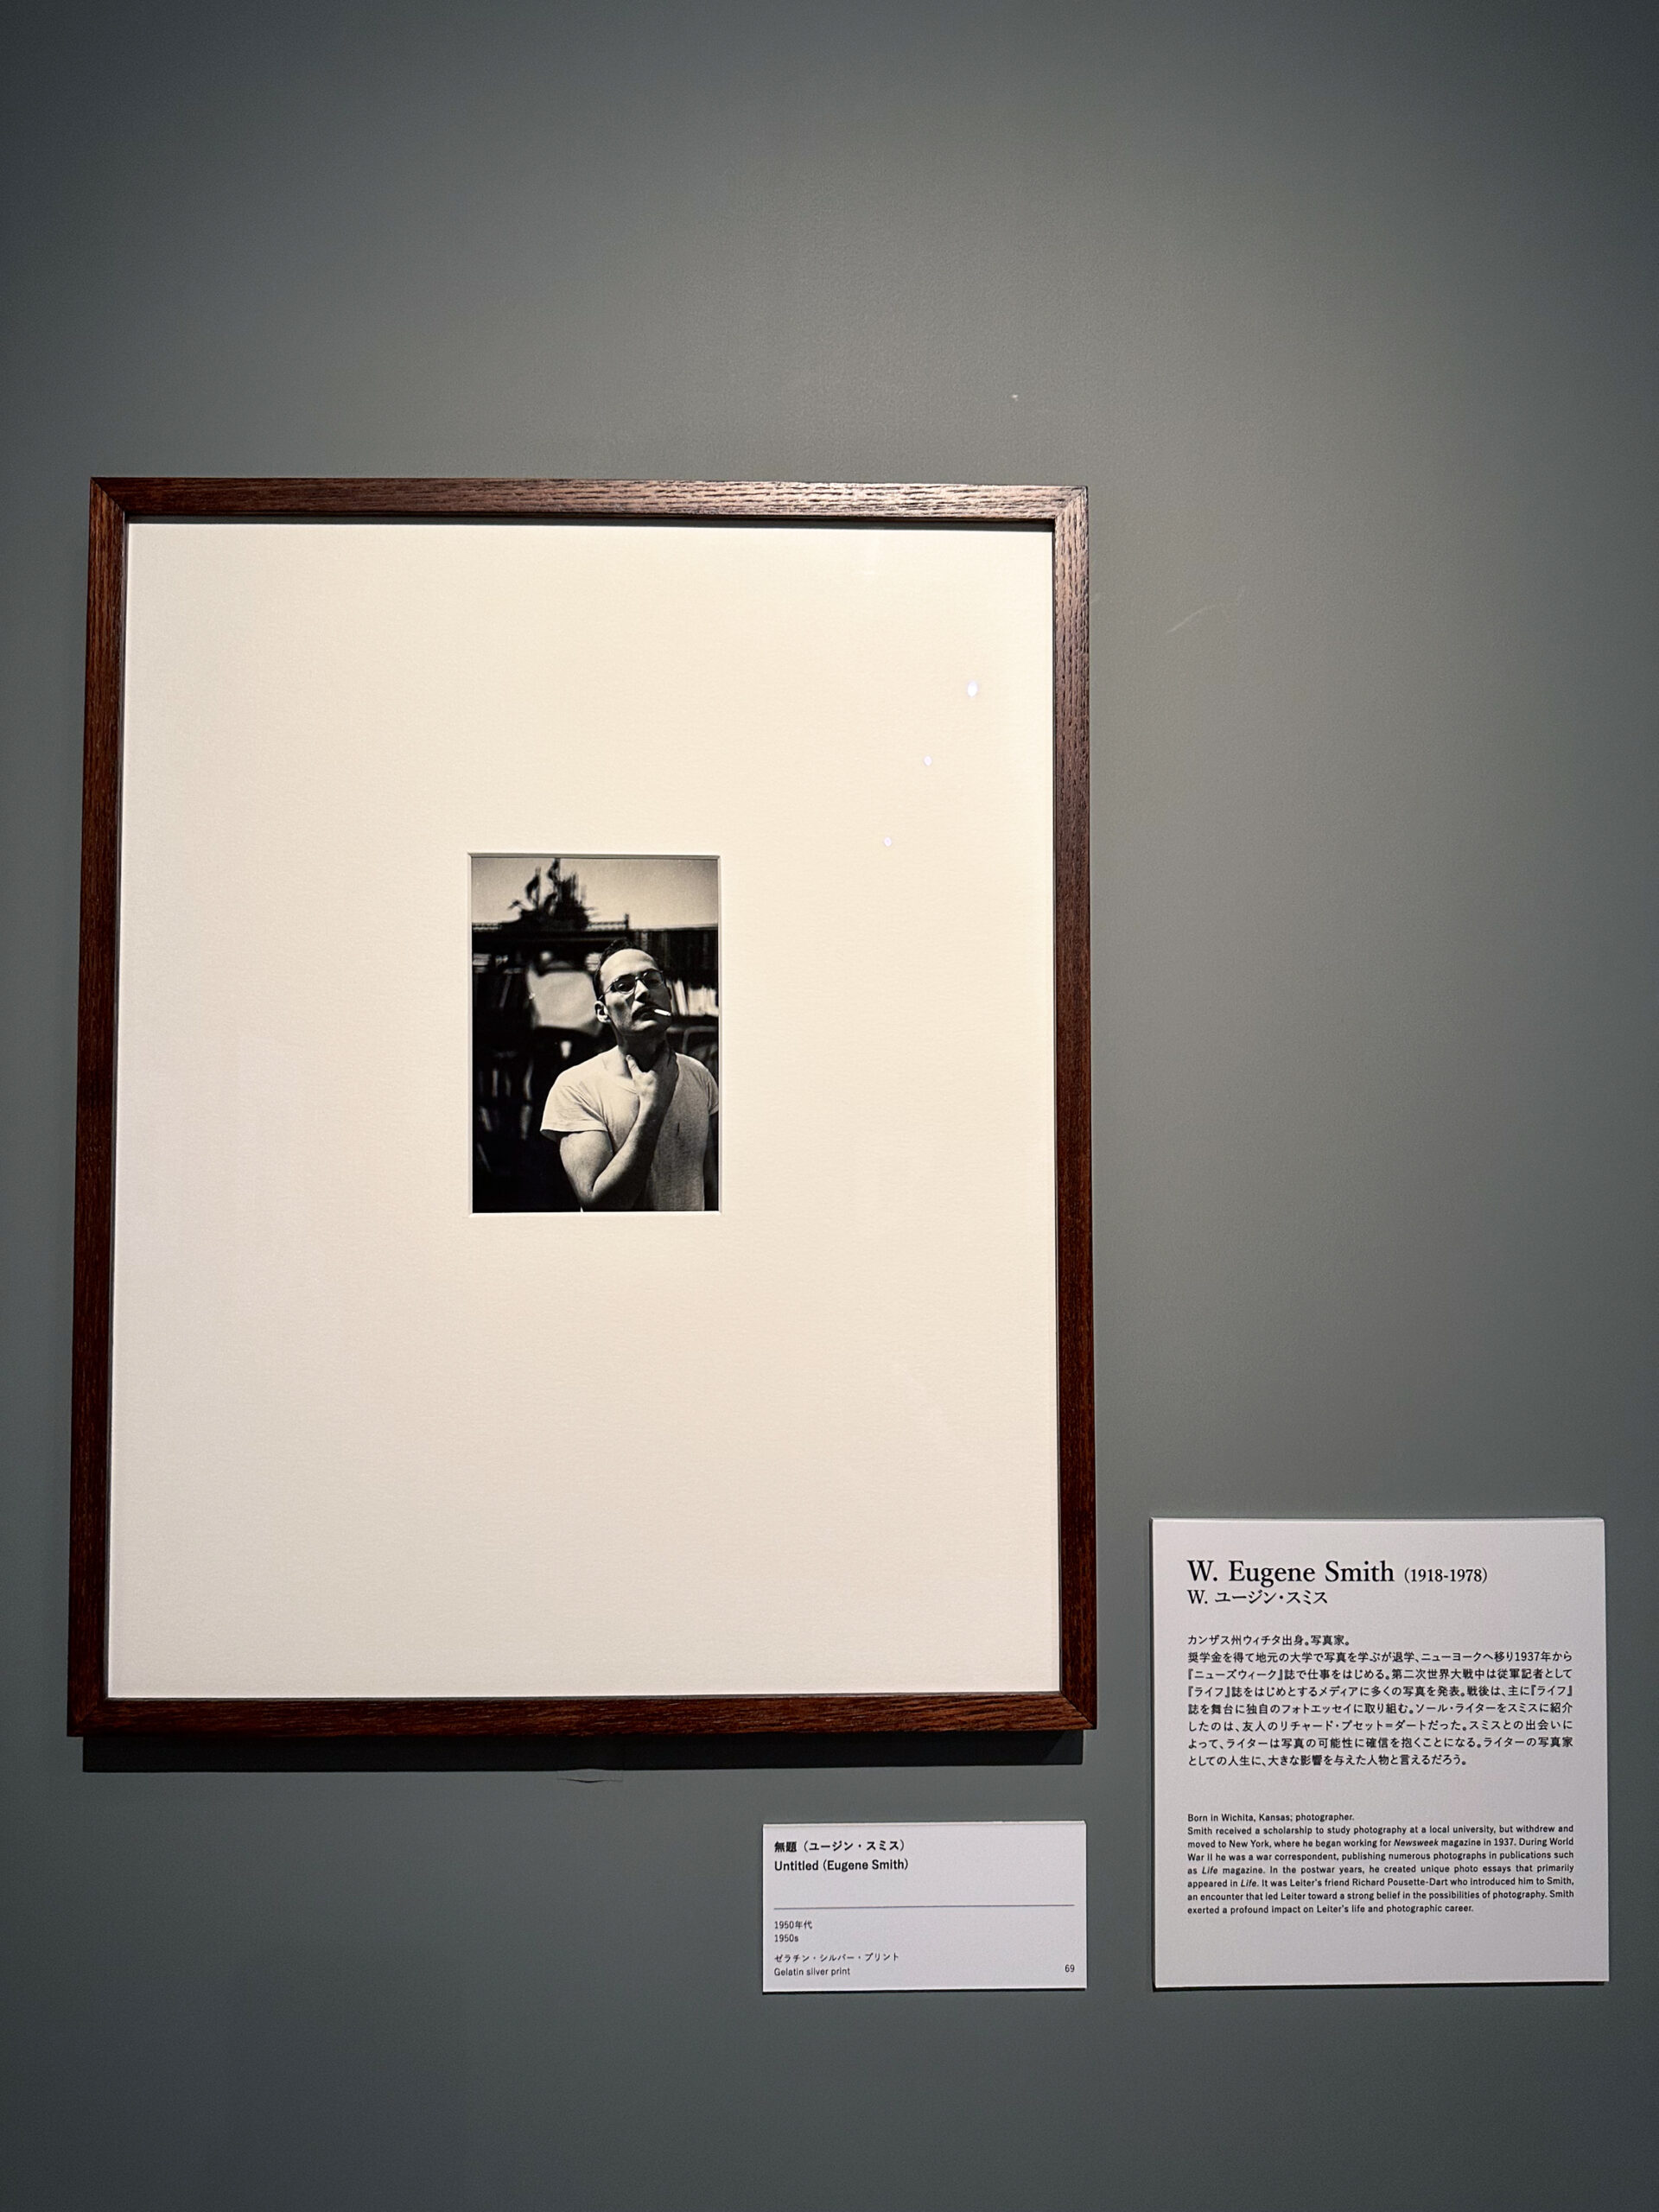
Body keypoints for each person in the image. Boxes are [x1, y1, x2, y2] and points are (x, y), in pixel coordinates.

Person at [542, 943, 718, 1210]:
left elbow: (711, 1187)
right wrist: (653, 1108)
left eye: (653, 980)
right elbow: (600, 1205)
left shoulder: (699, 1074)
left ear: (669, 996)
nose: (644, 991)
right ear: (602, 1012)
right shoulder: (575, 1087)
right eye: (623, 986)